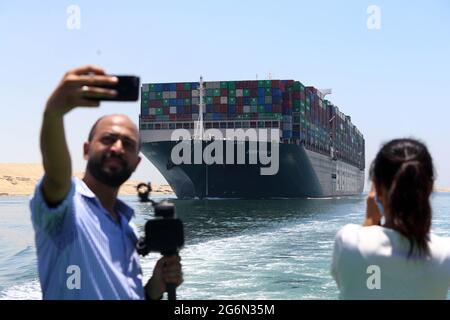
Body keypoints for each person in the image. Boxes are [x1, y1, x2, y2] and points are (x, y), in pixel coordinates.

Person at [30, 65, 183, 299]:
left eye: (128, 144)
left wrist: (154, 288)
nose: (117, 148)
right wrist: (54, 113)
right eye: (108, 139)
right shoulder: (67, 208)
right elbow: (57, 176)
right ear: (85, 150)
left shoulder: (127, 225)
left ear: (136, 162)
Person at [331, 138, 450, 299]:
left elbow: (352, 282)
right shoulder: (445, 253)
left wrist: (370, 221)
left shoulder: (348, 241)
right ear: (429, 189)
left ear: (377, 189)